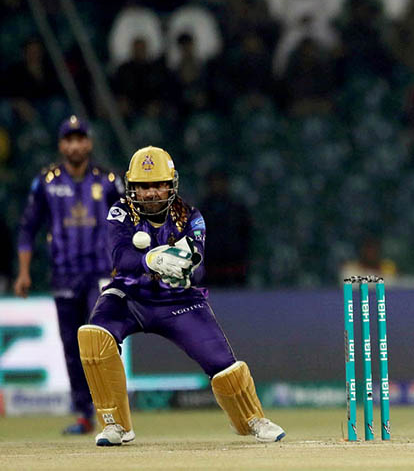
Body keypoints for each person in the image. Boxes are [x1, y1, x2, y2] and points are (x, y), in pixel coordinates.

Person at [77, 146, 285, 446]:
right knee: (94, 335)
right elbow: (120, 258)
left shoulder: (191, 216)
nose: (149, 193)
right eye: (142, 186)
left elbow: (199, 268)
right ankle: (117, 425)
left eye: (157, 184)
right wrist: (151, 260)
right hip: (129, 296)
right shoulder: (120, 212)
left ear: (171, 184)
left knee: (225, 367)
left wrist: (183, 269)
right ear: (131, 186)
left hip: (179, 301)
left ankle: (253, 419)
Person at [14, 115, 124, 434]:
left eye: (80, 139)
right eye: (69, 139)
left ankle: (113, 410)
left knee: (101, 339)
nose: (75, 145)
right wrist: (23, 273)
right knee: (72, 346)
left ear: (89, 143)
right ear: (62, 145)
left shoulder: (108, 180)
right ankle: (84, 414)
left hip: (101, 273)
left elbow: (127, 224)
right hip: (64, 274)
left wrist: (126, 264)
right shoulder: (46, 182)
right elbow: (28, 228)